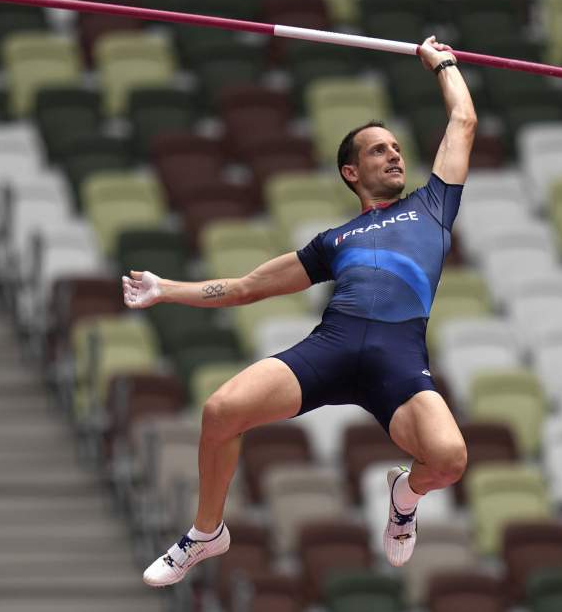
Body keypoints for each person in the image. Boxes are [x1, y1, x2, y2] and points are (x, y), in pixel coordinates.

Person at [123, 35, 477, 587]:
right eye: (378, 150)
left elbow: (462, 121)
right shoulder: (334, 241)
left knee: (450, 459)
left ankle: (404, 494)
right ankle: (207, 532)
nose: (394, 155)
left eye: (396, 148)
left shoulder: (432, 207)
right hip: (332, 349)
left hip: (397, 359)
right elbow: (244, 288)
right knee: (220, 412)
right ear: (351, 172)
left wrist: (444, 63)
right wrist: (167, 288)